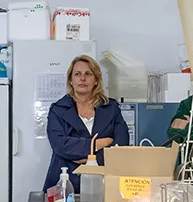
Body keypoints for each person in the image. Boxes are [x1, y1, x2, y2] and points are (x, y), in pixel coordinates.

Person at [43, 55, 130, 193]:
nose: (82, 78)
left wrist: (86, 158)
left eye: (88, 74)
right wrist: (98, 144)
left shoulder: (111, 107)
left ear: (96, 80)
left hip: (104, 182)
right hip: (65, 184)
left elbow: (121, 145)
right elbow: (60, 145)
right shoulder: (58, 109)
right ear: (71, 80)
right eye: (77, 74)